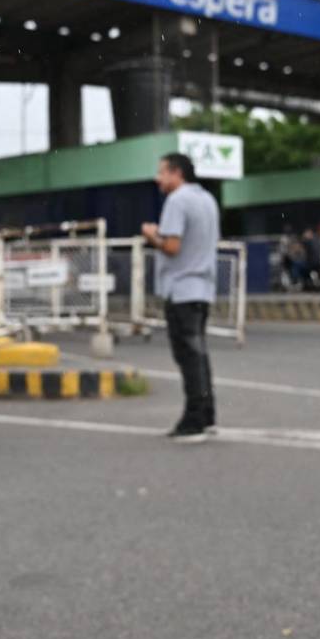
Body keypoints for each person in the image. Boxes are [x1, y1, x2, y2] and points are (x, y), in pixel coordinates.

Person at [141, 152, 220, 443]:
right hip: (203, 288)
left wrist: (152, 235)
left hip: (182, 289)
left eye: (162, 172)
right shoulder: (207, 200)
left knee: (188, 356)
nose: (158, 178)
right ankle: (207, 414)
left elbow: (172, 246)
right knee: (199, 354)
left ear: (176, 173)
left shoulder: (177, 201)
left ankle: (194, 420)